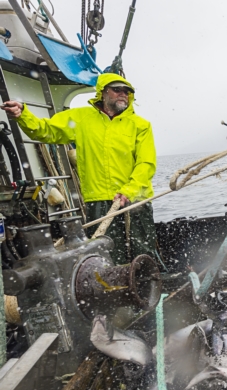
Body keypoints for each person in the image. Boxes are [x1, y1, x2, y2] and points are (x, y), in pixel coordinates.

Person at [1, 73, 158, 265]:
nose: (123, 94)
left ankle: (147, 288)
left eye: (127, 91)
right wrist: (23, 115)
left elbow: (146, 164)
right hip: (98, 200)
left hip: (136, 200)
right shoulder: (81, 118)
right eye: (117, 90)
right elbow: (46, 131)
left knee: (142, 252)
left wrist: (129, 190)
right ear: (102, 92)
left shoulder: (140, 126)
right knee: (105, 255)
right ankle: (113, 291)